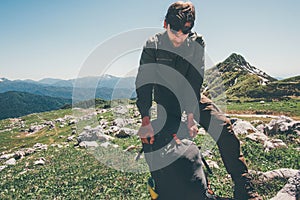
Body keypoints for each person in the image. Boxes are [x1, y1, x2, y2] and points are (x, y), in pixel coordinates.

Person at [135, 1, 262, 199]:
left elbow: (195, 80)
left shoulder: (196, 42)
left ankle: (243, 185)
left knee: (223, 126)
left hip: (191, 95)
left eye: (184, 32)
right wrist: (145, 120)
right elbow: (144, 83)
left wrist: (191, 115)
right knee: (166, 143)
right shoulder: (153, 44)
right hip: (166, 102)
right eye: (174, 31)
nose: (179, 38)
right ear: (165, 24)